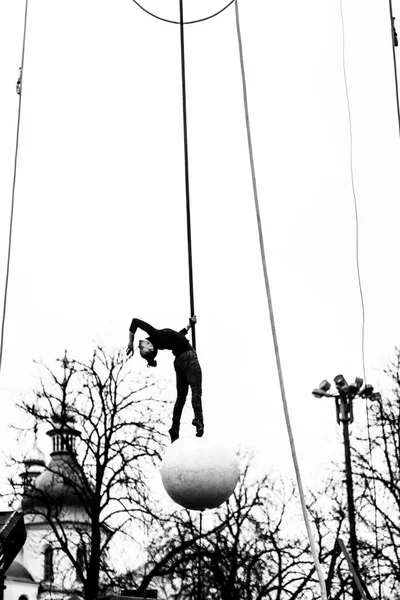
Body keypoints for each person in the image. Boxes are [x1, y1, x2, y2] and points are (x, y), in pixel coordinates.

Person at [126, 316, 204, 443]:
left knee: (181, 398)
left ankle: (174, 428)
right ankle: (199, 419)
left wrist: (189, 325)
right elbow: (135, 321)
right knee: (196, 390)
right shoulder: (156, 335)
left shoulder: (160, 340)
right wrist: (130, 341)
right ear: (150, 345)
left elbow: (178, 336)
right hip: (189, 357)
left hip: (179, 362)